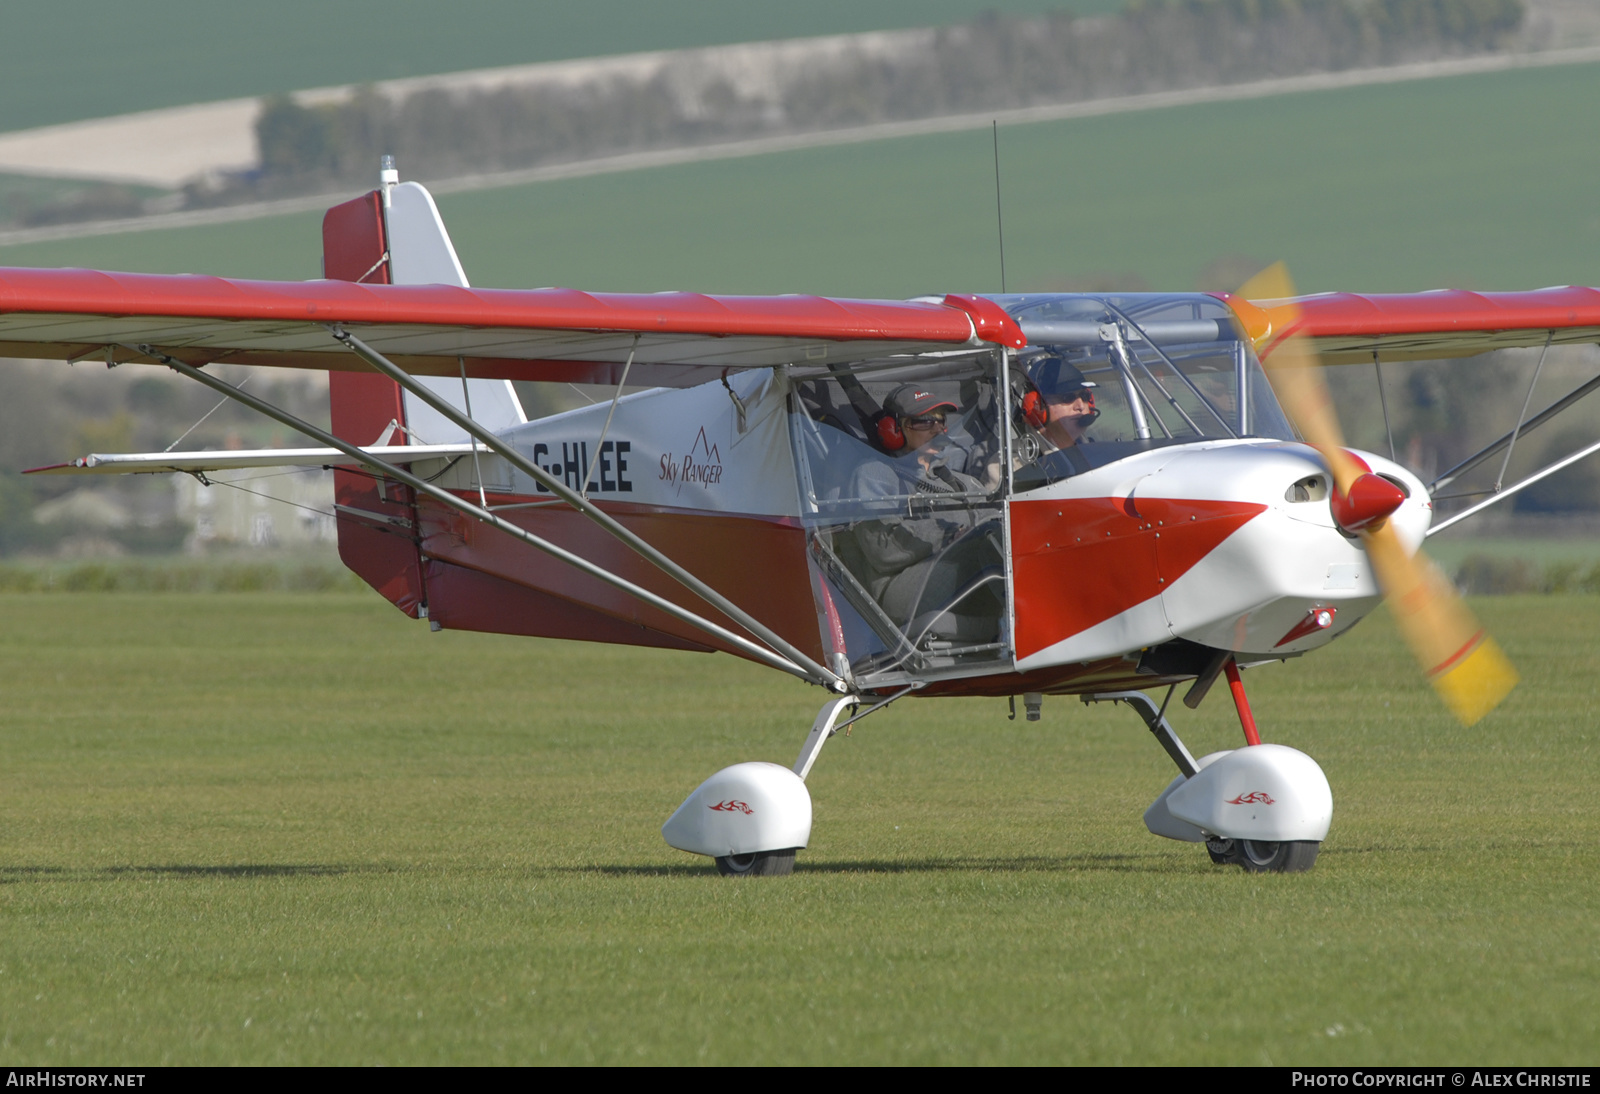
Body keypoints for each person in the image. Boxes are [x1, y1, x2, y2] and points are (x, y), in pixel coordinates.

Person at [846, 385, 1002, 636]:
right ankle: (1022, 626)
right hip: (898, 591)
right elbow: (882, 550)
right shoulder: (875, 474)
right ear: (893, 429)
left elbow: (997, 524)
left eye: (941, 421)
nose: (937, 428)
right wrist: (948, 536)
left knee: (1005, 535)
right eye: (924, 421)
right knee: (990, 541)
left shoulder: (962, 482)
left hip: (955, 571)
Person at [1027, 354, 1099, 450]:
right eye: (1067, 398)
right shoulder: (1014, 462)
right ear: (1040, 407)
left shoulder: (1096, 452)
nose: (1081, 406)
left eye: (1085, 396)